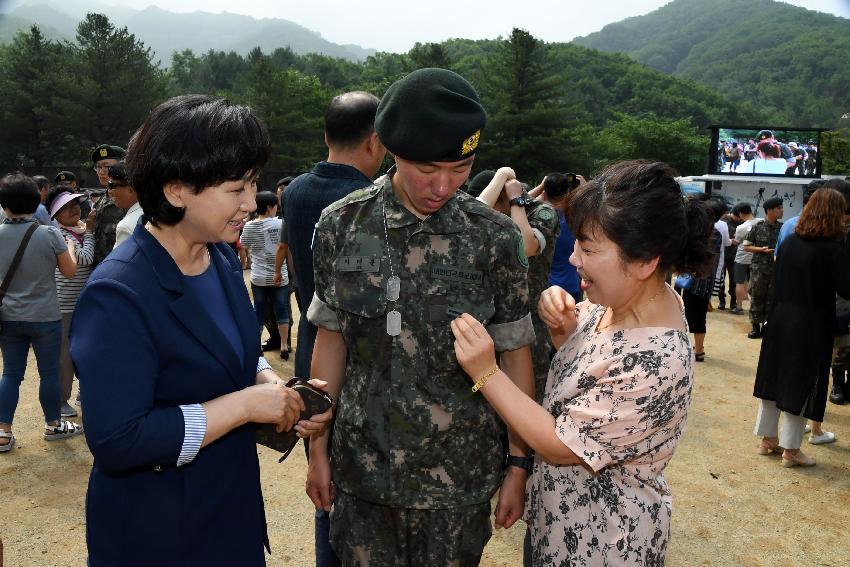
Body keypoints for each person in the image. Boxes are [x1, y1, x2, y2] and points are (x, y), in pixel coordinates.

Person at [69, 95, 331, 565]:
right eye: (237, 188)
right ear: (175, 190)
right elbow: (118, 439)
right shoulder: (120, 291)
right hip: (159, 531)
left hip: (228, 514)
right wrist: (246, 404)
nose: (251, 203)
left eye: (253, 184)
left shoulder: (221, 258)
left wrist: (272, 387)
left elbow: (232, 351)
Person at [305, 69, 535, 566]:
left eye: (462, 168)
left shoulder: (493, 239)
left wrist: (518, 464)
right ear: (390, 149)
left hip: (458, 485)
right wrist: (317, 452)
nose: (444, 185)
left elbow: (515, 355)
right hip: (363, 477)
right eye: (428, 169)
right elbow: (332, 341)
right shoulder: (344, 225)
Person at [450, 160, 713, 566]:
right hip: (558, 523)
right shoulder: (629, 303)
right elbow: (586, 372)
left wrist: (485, 372)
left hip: (602, 542)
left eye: (588, 248)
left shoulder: (655, 361)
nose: (574, 259)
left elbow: (560, 445)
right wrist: (563, 326)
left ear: (645, 262)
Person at [275, 90, 384, 567]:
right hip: (356, 358)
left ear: (326, 135)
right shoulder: (367, 202)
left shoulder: (295, 190)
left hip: (311, 345)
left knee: (325, 483)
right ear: (375, 142)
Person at [752, 188, 850, 466]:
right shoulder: (832, 249)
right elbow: (846, 287)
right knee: (802, 382)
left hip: (780, 317)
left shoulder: (790, 242)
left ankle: (767, 439)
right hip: (811, 322)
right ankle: (791, 450)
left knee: (774, 377)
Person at [0, 174, 82, 453]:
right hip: (45, 316)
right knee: (48, 373)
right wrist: (70, 246)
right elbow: (69, 271)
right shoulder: (49, 234)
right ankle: (53, 424)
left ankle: (3, 432)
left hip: (9, 317)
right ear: (37, 201)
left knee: (10, 374)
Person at [474, 168, 561, 403]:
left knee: (531, 393)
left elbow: (526, 248)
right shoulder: (504, 212)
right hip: (498, 319)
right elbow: (473, 216)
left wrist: (515, 200)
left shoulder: (543, 212)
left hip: (532, 320)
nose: (491, 212)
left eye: (496, 202)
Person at [44, 186, 96, 418]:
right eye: (65, 208)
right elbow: (84, 259)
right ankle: (61, 400)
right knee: (65, 355)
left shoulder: (78, 230)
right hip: (65, 305)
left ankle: (82, 392)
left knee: (85, 350)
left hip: (79, 303)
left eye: (75, 204)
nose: (73, 209)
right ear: (56, 215)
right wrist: (91, 233)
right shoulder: (62, 236)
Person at [241, 191, 291, 360]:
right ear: (270, 207)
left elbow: (243, 247)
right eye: (276, 206)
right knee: (282, 309)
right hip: (280, 277)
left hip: (258, 277)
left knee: (259, 312)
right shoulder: (281, 224)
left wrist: (246, 262)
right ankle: (284, 345)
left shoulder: (248, 226)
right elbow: (285, 248)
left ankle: (256, 345)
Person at [742, 197, 783, 338]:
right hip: (759, 270)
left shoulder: (783, 228)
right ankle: (755, 327)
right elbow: (746, 246)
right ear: (769, 210)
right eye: (778, 208)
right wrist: (761, 250)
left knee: (772, 299)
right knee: (757, 297)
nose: (781, 210)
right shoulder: (757, 227)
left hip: (776, 270)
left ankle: (767, 326)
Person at [89, 144, 127, 265]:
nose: (101, 171)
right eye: (98, 167)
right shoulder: (101, 201)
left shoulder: (130, 200)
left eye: (107, 166)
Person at [732, 203, 759, 315]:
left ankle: (739, 307)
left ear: (740, 214)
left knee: (739, 282)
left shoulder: (741, 227)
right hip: (756, 256)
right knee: (755, 281)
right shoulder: (761, 222)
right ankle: (755, 306)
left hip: (742, 258)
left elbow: (736, 241)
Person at [108, 163, 142, 249]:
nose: (109, 191)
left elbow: (120, 262)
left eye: (112, 185)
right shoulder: (157, 210)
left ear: (130, 190)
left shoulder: (126, 227)